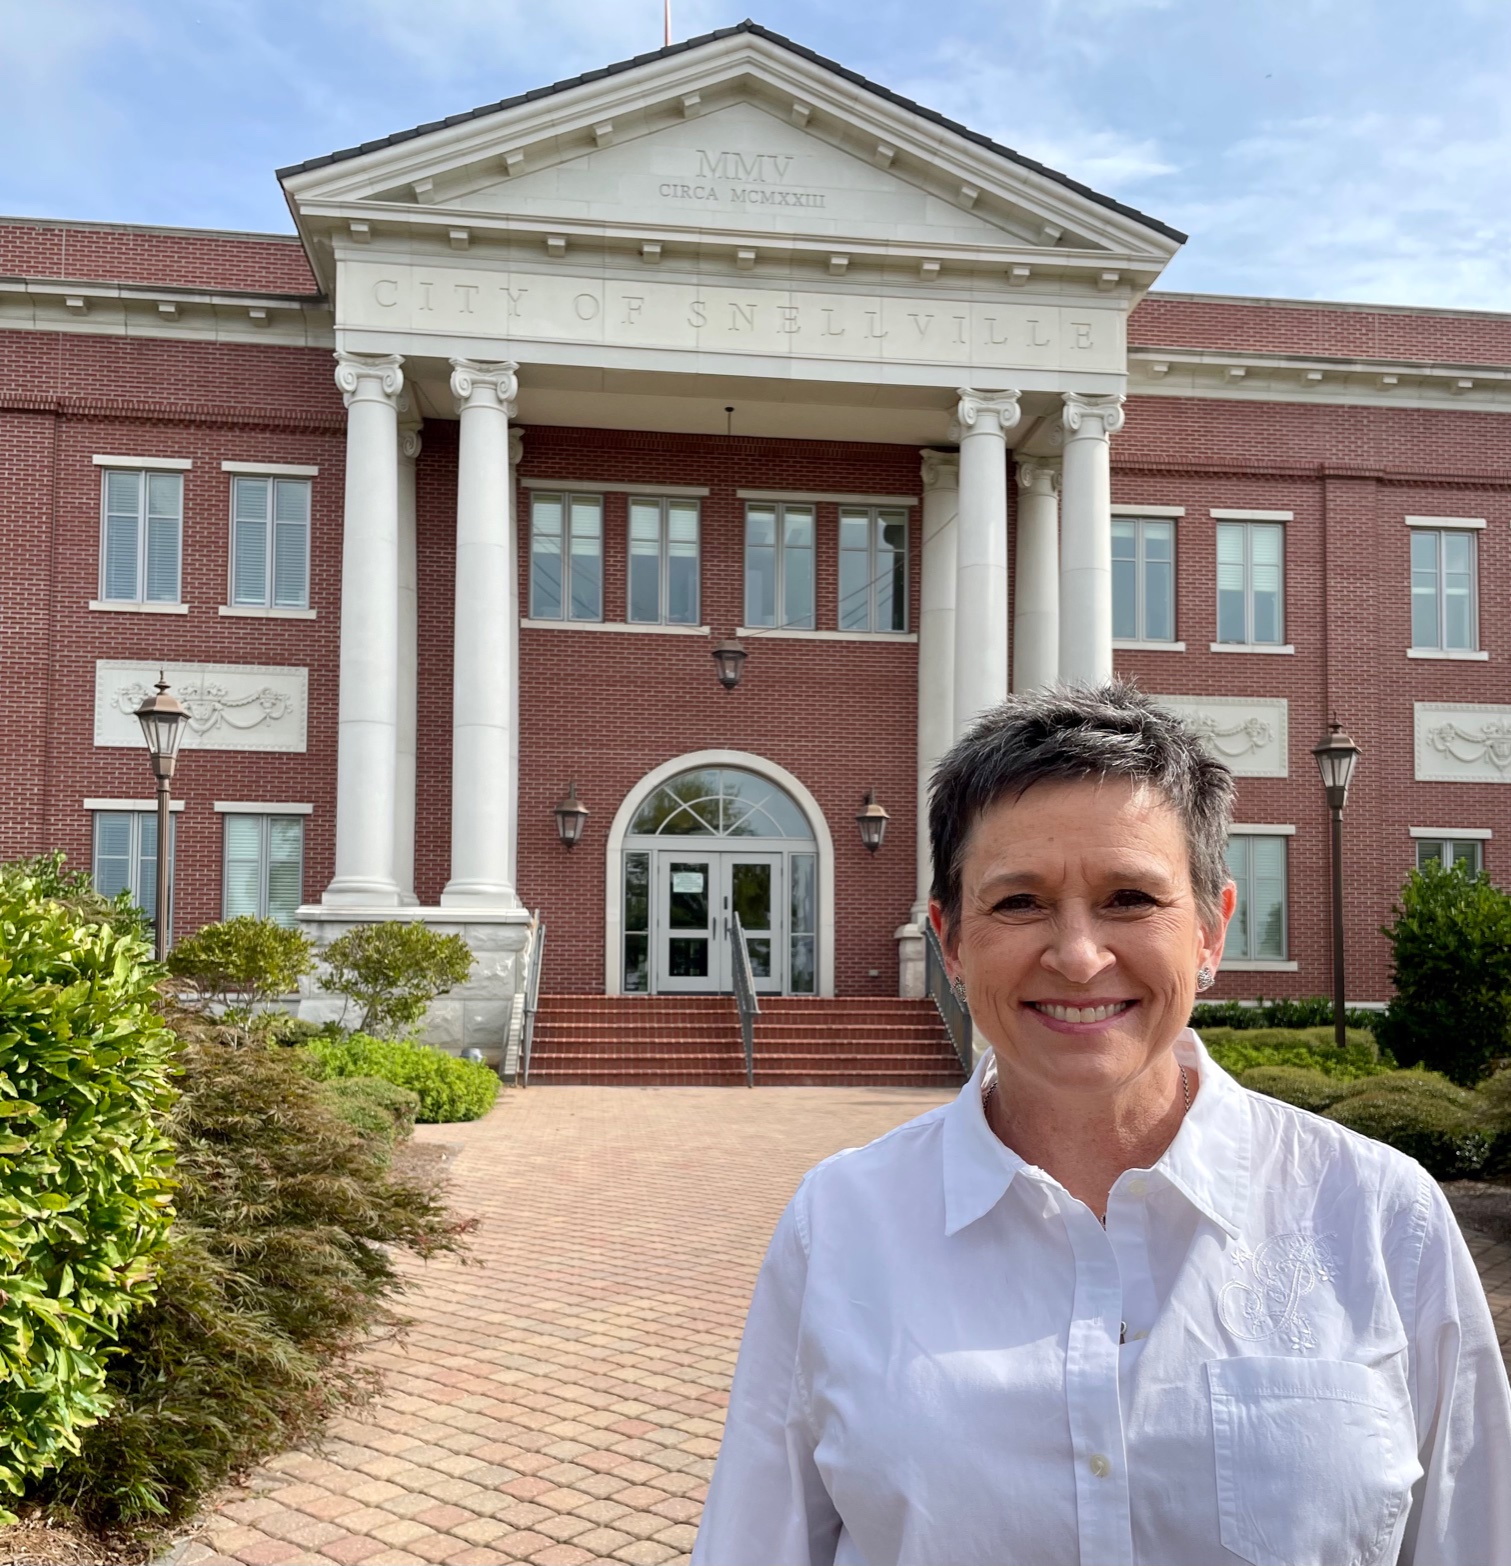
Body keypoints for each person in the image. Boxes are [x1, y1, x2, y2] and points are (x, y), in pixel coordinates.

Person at [692, 682, 1511, 1566]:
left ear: (1209, 930)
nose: (1079, 956)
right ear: (951, 939)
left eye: (1129, 897)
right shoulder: (841, 1225)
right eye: (1017, 902)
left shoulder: (1384, 1218)